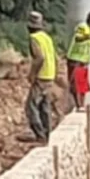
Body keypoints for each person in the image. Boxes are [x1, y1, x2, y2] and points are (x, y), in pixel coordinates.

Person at [25, 11, 58, 142]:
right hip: (50, 75)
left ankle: (40, 135)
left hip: (42, 76)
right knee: (44, 105)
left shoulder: (35, 39)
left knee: (31, 106)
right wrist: (55, 74)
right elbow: (55, 58)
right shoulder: (47, 38)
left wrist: (32, 74)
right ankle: (47, 132)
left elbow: (39, 57)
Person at [65, 11, 90, 112]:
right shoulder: (82, 27)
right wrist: (89, 38)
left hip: (84, 61)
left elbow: (89, 41)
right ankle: (78, 105)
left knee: (82, 85)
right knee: (76, 83)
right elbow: (78, 38)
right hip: (75, 59)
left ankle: (82, 105)